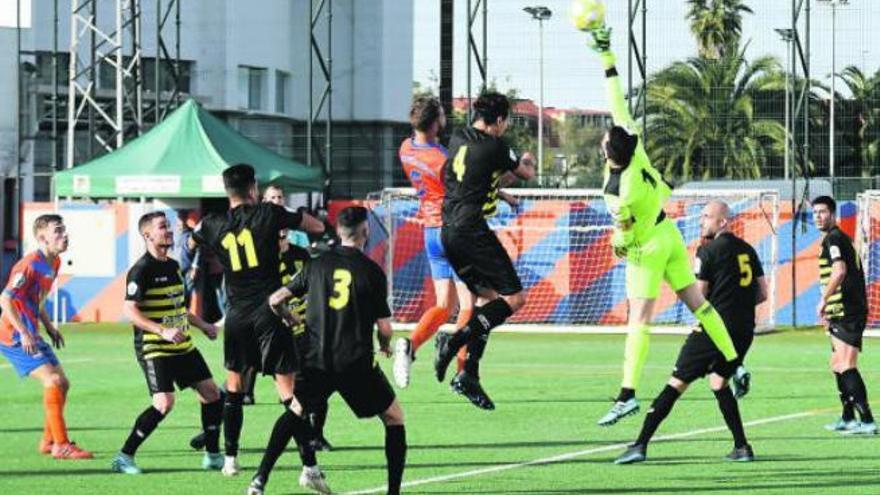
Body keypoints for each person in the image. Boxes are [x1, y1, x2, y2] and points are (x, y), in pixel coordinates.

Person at [580, 24, 739, 426]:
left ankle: (627, 394)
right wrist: (606, 57)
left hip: (648, 245)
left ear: (607, 153)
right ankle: (735, 362)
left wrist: (621, 245)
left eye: (602, 142)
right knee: (700, 305)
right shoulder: (634, 146)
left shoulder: (617, 190)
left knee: (640, 321)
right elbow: (617, 100)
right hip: (669, 233)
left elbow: (627, 232)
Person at [192, 163, 329, 489]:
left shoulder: (214, 223)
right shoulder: (269, 213)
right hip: (269, 312)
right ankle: (309, 465)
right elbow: (317, 226)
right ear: (253, 188)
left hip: (237, 315)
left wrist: (214, 248)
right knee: (288, 393)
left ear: (227, 191)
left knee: (235, 388)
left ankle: (230, 459)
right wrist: (290, 217)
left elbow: (192, 242)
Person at [254, 206, 405, 495]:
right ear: (365, 232)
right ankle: (394, 492)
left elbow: (275, 300)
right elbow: (384, 328)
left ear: (337, 231)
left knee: (295, 411)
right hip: (355, 363)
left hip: (316, 361)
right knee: (394, 418)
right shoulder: (372, 271)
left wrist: (289, 316)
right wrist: (385, 347)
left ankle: (259, 479)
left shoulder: (315, 264)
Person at [615, 201, 766, 464]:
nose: (701, 221)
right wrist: (737, 306)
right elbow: (762, 293)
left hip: (713, 330)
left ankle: (639, 445)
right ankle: (742, 447)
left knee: (676, 382)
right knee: (719, 381)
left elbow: (699, 295)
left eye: (707, 217)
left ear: (723, 222)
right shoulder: (749, 250)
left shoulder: (707, 252)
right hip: (745, 331)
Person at [433, 91, 536, 410]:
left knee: (487, 301)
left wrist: (499, 194)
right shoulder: (497, 146)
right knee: (514, 299)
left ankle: (469, 375)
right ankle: (455, 338)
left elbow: (472, 176)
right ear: (501, 120)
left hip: (447, 231)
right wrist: (528, 161)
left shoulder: (458, 137)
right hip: (472, 231)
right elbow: (523, 173)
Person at [111, 211, 225, 474]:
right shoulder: (141, 270)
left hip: (181, 344)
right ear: (147, 234)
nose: (170, 231)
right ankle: (124, 456)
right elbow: (130, 310)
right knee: (164, 402)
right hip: (155, 346)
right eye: (163, 227)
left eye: (170, 226)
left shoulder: (173, 265)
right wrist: (161, 331)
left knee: (211, 394)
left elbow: (179, 308)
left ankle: (212, 455)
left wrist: (204, 325)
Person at [394, 95, 476, 389]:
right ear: (435, 122)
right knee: (469, 304)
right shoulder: (442, 160)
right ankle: (463, 371)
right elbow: (466, 189)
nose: (445, 116)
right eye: (442, 113)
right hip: (452, 229)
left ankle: (411, 345)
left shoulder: (406, 148)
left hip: (430, 231)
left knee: (444, 304)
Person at [0, 214, 93, 460]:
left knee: (63, 383)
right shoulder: (28, 264)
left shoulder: (54, 262)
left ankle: (48, 440)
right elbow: (5, 299)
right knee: (51, 380)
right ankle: (61, 445)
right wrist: (23, 332)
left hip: (31, 332)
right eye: (58, 231)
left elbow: (36, 298)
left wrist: (49, 327)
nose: (64, 235)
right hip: (13, 335)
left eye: (64, 230)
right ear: (42, 237)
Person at [812, 196, 876, 435]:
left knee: (846, 364)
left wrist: (823, 300)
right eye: (815, 213)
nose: (818, 216)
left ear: (833, 214)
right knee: (836, 363)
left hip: (849, 310)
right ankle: (848, 417)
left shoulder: (834, 239)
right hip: (840, 310)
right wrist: (829, 308)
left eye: (823, 212)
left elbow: (839, 271)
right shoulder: (835, 239)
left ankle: (867, 420)